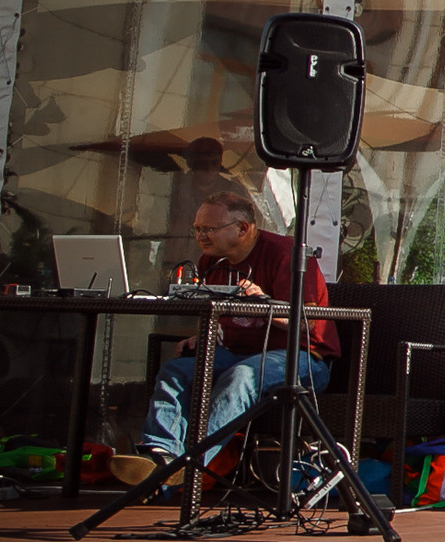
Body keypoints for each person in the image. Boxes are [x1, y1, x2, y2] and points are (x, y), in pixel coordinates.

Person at [125, 190, 337, 481]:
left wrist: (263, 304)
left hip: (303, 359)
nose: (201, 236)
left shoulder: (286, 254)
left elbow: (308, 324)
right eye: (197, 229)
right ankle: (160, 456)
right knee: (177, 371)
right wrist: (204, 336)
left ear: (243, 228)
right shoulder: (210, 262)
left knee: (241, 377)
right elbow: (222, 315)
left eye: (209, 229)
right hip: (238, 354)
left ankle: (190, 469)